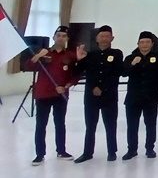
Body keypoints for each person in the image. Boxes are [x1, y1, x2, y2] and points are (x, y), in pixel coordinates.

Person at [26, 26, 77, 166]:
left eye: (64, 36)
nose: (60, 38)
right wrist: (38, 56)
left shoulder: (71, 56)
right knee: (41, 125)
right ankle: (39, 154)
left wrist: (66, 86)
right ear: (54, 37)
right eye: (58, 35)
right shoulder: (44, 53)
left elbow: (75, 75)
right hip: (43, 94)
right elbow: (28, 66)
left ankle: (61, 151)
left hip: (60, 95)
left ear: (67, 39)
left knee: (60, 123)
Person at [74, 25, 124, 164]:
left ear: (112, 38)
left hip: (109, 96)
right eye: (102, 36)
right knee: (90, 126)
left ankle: (112, 152)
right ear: (97, 38)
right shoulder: (90, 55)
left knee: (110, 125)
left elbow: (116, 73)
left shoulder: (117, 54)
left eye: (107, 36)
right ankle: (87, 152)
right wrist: (79, 59)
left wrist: (102, 87)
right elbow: (78, 72)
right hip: (91, 97)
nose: (104, 39)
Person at [122, 31, 158, 160]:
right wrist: (132, 64)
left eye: (147, 42)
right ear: (138, 44)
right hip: (133, 97)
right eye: (142, 42)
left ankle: (150, 148)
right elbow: (123, 73)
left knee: (151, 125)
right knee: (132, 125)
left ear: (152, 44)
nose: (145, 44)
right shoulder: (130, 57)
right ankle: (132, 150)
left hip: (151, 97)